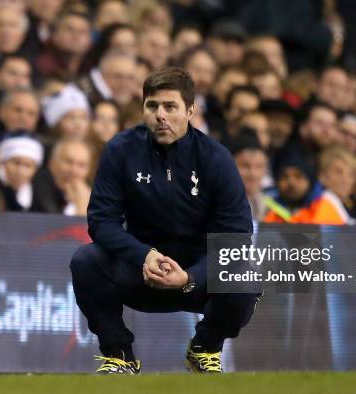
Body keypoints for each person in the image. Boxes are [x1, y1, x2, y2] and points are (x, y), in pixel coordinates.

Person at [70, 67, 259, 374]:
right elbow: (101, 222)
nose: (160, 115)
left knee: (243, 275)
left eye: (170, 107)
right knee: (86, 260)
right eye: (152, 106)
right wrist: (144, 254)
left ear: (190, 111)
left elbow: (236, 237)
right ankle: (118, 356)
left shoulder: (215, 158)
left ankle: (205, 348)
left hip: (197, 278)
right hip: (141, 269)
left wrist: (190, 277)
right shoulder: (120, 150)